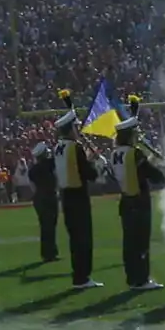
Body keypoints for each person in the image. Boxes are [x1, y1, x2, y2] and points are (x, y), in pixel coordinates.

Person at [112, 107, 165, 290]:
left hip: (125, 201)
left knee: (129, 243)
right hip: (139, 201)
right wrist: (163, 167)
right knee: (141, 242)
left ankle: (132, 278)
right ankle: (142, 279)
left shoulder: (116, 153)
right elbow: (153, 175)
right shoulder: (135, 153)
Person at [55, 113, 101, 288]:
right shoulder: (75, 147)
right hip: (78, 196)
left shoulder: (58, 147)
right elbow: (89, 174)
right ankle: (83, 277)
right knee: (83, 239)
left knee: (75, 239)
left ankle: (79, 276)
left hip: (66, 196)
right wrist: (94, 162)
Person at [28, 136, 59, 265]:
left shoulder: (33, 170)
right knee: (50, 225)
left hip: (39, 198)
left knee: (45, 225)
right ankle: (49, 253)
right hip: (49, 197)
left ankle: (49, 252)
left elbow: (32, 187)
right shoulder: (49, 164)